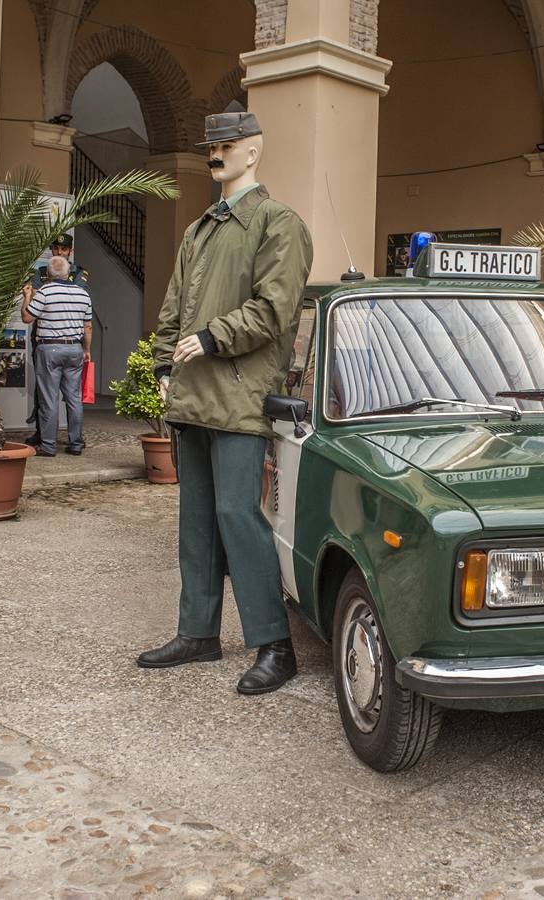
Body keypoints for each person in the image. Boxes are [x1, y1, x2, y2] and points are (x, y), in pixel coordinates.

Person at [135, 108, 313, 696]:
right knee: (196, 523)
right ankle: (197, 633)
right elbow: (172, 309)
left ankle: (275, 644)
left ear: (253, 151)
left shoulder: (277, 222)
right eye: (211, 145)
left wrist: (213, 337)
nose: (216, 154)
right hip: (190, 398)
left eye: (227, 145)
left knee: (240, 517)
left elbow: (275, 309)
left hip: (239, 398)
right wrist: (164, 365)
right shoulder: (199, 230)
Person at [21, 254, 92, 457]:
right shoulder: (83, 294)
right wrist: (86, 350)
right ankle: (76, 443)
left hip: (49, 350)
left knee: (49, 399)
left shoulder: (44, 291)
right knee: (74, 398)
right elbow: (88, 326)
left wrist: (27, 297)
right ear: (68, 273)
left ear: (48, 274)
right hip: (75, 350)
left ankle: (49, 446)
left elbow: (27, 317)